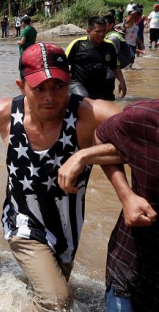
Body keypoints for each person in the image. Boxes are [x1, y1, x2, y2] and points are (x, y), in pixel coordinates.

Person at [0, 43, 120, 311]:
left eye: (59, 86)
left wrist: (84, 156)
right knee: (56, 300)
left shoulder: (88, 114)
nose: (51, 97)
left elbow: (143, 132)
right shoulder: (3, 113)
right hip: (22, 222)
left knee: (53, 293)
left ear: (69, 82)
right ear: (21, 85)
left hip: (68, 226)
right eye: (39, 88)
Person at [56, 99, 158, 311]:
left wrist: (86, 155)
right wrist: (126, 195)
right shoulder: (145, 116)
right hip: (132, 265)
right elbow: (102, 136)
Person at [65, 16, 126, 101]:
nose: (101, 34)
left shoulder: (110, 46)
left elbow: (115, 66)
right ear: (88, 31)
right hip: (77, 84)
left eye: (103, 31)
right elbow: (63, 65)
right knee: (85, 100)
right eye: (98, 31)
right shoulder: (77, 44)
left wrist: (122, 82)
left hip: (99, 87)